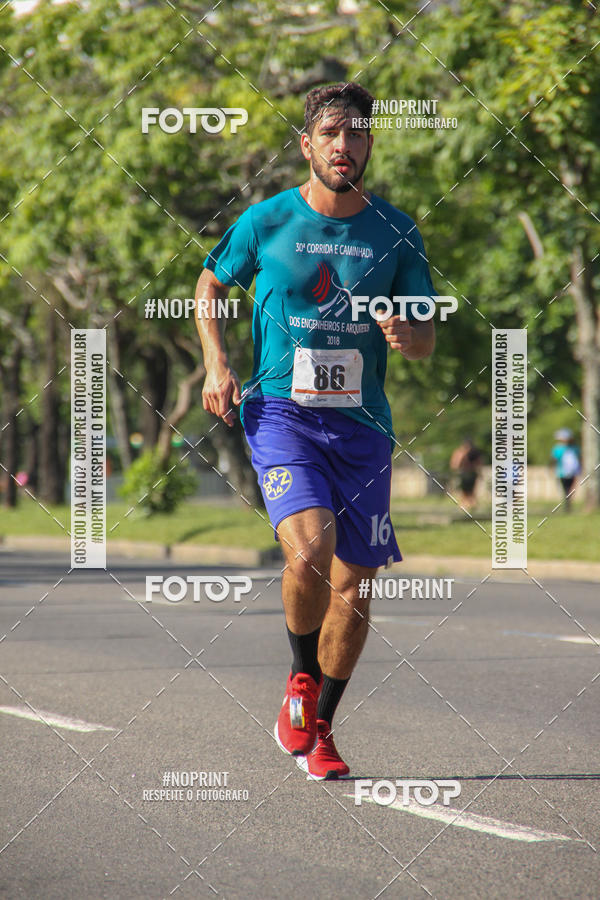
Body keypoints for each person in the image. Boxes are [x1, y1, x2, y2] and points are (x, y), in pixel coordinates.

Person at [195, 82, 436, 780]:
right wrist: (217, 364)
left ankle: (320, 726)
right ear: (306, 144)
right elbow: (210, 284)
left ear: (370, 145)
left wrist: (405, 332)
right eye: (330, 133)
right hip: (281, 412)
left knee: (356, 586)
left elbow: (423, 340)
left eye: (356, 134)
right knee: (307, 553)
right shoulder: (267, 222)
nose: (343, 145)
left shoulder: (396, 231)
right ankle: (300, 679)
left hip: (362, 428)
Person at [551, 429, 581, 511]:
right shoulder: (558, 448)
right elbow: (554, 460)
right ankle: (567, 505)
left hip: (573, 472)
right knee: (566, 490)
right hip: (562, 473)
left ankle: (568, 505)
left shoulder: (574, 448)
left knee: (570, 489)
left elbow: (579, 459)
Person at [449, 438, 482, 510]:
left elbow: (455, 464)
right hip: (471, 473)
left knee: (466, 493)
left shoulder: (461, 452)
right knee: (470, 492)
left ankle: (467, 506)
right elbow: (479, 463)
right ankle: (471, 506)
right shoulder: (475, 452)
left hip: (465, 473)